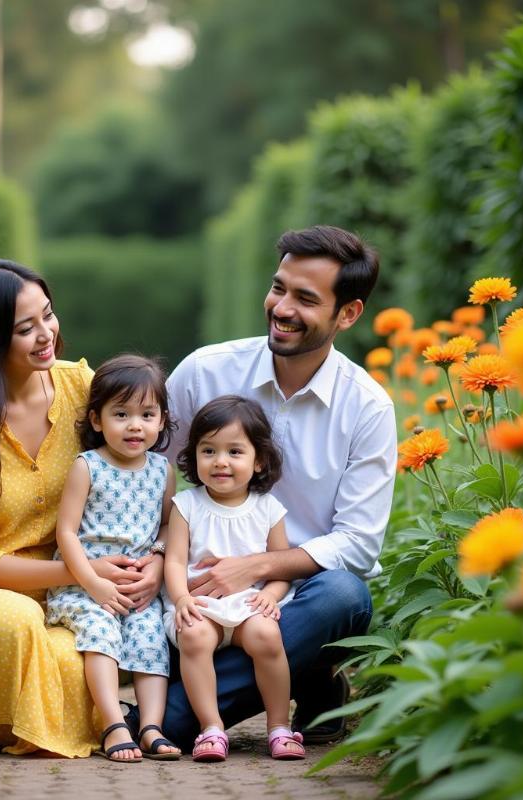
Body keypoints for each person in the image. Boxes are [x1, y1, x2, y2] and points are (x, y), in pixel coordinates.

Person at [0, 260, 165, 757]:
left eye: (48, 315)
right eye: (26, 328)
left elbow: (147, 478)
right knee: (12, 622)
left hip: (74, 598)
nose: (47, 334)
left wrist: (159, 561)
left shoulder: (82, 389)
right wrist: (81, 573)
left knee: (85, 657)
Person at [146, 225, 397, 750]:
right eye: (278, 287)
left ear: (347, 314)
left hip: (293, 597)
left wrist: (257, 567)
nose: (281, 307)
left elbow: (358, 543)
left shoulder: (367, 407)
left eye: (305, 299)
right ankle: (308, 678)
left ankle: (188, 714)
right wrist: (156, 558)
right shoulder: (204, 372)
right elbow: (150, 474)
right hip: (194, 590)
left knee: (344, 595)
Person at [46, 355, 181, 762]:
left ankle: (151, 727)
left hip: (138, 586)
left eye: (147, 414)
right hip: (85, 585)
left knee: (150, 637)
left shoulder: (162, 470)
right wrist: (91, 582)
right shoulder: (88, 467)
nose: (135, 425)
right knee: (101, 633)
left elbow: (166, 526)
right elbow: (66, 531)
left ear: (161, 421)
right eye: (121, 414)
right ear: (98, 420)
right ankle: (112, 724)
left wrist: (156, 557)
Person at [165, 395, 305, 762]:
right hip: (203, 604)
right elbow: (175, 561)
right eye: (208, 451)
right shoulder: (187, 505)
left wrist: (272, 594)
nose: (220, 462)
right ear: (194, 456)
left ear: (258, 460)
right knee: (193, 635)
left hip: (247, 606)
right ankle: (211, 728)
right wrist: (181, 598)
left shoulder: (268, 508)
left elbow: (277, 565)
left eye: (234, 452)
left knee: (266, 634)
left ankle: (279, 727)